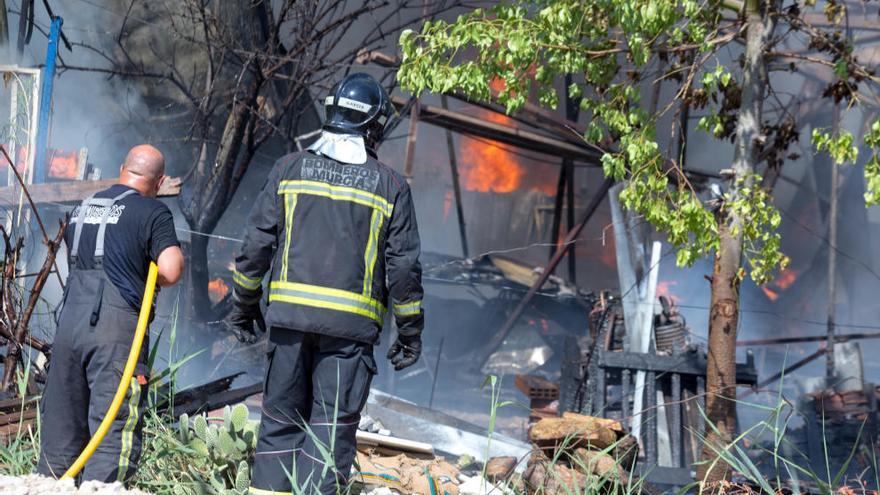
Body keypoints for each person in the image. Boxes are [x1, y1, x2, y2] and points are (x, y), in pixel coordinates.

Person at [225, 73, 424, 495]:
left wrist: (243, 306)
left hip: (289, 326)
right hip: (349, 337)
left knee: (278, 425)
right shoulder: (390, 185)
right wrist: (409, 333)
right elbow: (403, 269)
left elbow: (256, 244)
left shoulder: (289, 168)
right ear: (372, 127)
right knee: (330, 433)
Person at [37, 144, 185, 483]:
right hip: (114, 337)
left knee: (61, 433)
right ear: (159, 181)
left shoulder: (81, 208)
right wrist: (149, 273)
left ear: (122, 168)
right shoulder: (153, 213)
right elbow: (172, 269)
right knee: (111, 433)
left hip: (69, 329)